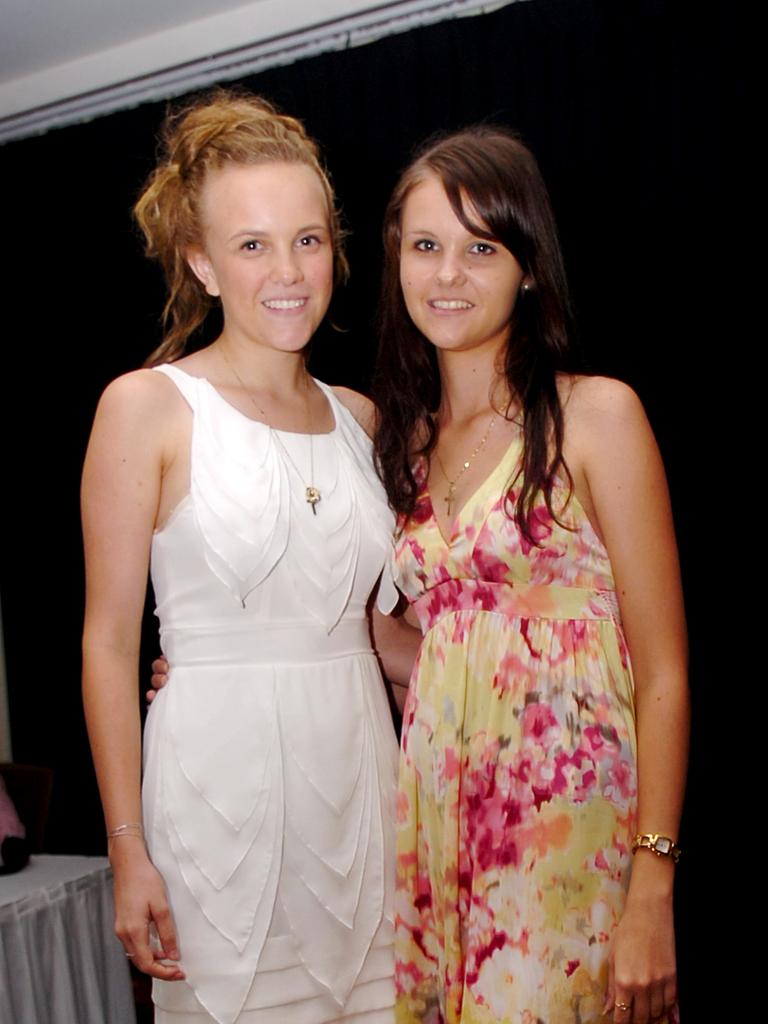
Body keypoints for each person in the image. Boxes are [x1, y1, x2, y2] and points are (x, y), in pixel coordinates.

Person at [81, 91, 406, 1024]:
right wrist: (126, 851)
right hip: (215, 828)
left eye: (307, 239)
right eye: (252, 244)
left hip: (368, 815)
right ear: (202, 261)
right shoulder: (145, 407)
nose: (288, 271)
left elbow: (374, 633)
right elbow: (107, 645)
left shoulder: (364, 421)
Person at [372, 127, 688, 1024]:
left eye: (482, 249)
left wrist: (653, 885)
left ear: (529, 267)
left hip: (567, 846)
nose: (448, 275)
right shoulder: (398, 448)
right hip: (435, 838)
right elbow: (431, 653)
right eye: (427, 246)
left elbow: (663, 671)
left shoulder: (597, 417)